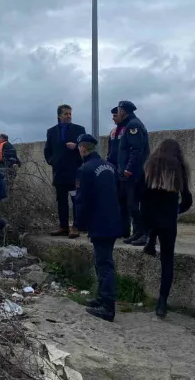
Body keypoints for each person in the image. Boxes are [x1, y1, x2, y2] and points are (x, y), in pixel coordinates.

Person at [140, 139, 193, 319]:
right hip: (168, 219)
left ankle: (150, 238)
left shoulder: (150, 165)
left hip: (150, 216)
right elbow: (187, 200)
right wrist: (176, 209)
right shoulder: (179, 168)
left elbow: (142, 194)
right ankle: (162, 303)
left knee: (153, 223)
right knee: (167, 260)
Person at [72, 134, 122, 322]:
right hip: (113, 220)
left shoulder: (85, 169)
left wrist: (79, 224)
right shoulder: (110, 166)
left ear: (83, 149)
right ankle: (101, 297)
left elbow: (82, 201)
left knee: (104, 263)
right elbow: (120, 194)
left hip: (99, 222)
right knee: (102, 260)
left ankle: (107, 306)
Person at [44, 104, 86, 239]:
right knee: (61, 201)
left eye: (70, 113)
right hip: (59, 172)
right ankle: (63, 226)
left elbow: (87, 148)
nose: (68, 116)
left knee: (76, 200)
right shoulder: (51, 131)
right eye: (66, 114)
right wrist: (52, 161)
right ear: (59, 116)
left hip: (74, 171)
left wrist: (76, 147)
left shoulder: (79, 129)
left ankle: (76, 227)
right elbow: (47, 150)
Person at [114, 101, 150, 246]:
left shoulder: (133, 125)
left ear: (122, 111)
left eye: (118, 110)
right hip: (132, 172)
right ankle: (138, 232)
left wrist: (128, 168)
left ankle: (144, 233)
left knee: (135, 204)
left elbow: (136, 150)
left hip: (133, 173)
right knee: (132, 204)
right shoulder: (130, 124)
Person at [106, 106, 130, 240]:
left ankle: (126, 229)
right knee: (116, 200)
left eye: (115, 116)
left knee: (126, 201)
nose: (113, 119)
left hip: (124, 170)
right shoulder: (113, 132)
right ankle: (118, 227)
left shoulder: (127, 130)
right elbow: (110, 151)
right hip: (114, 169)